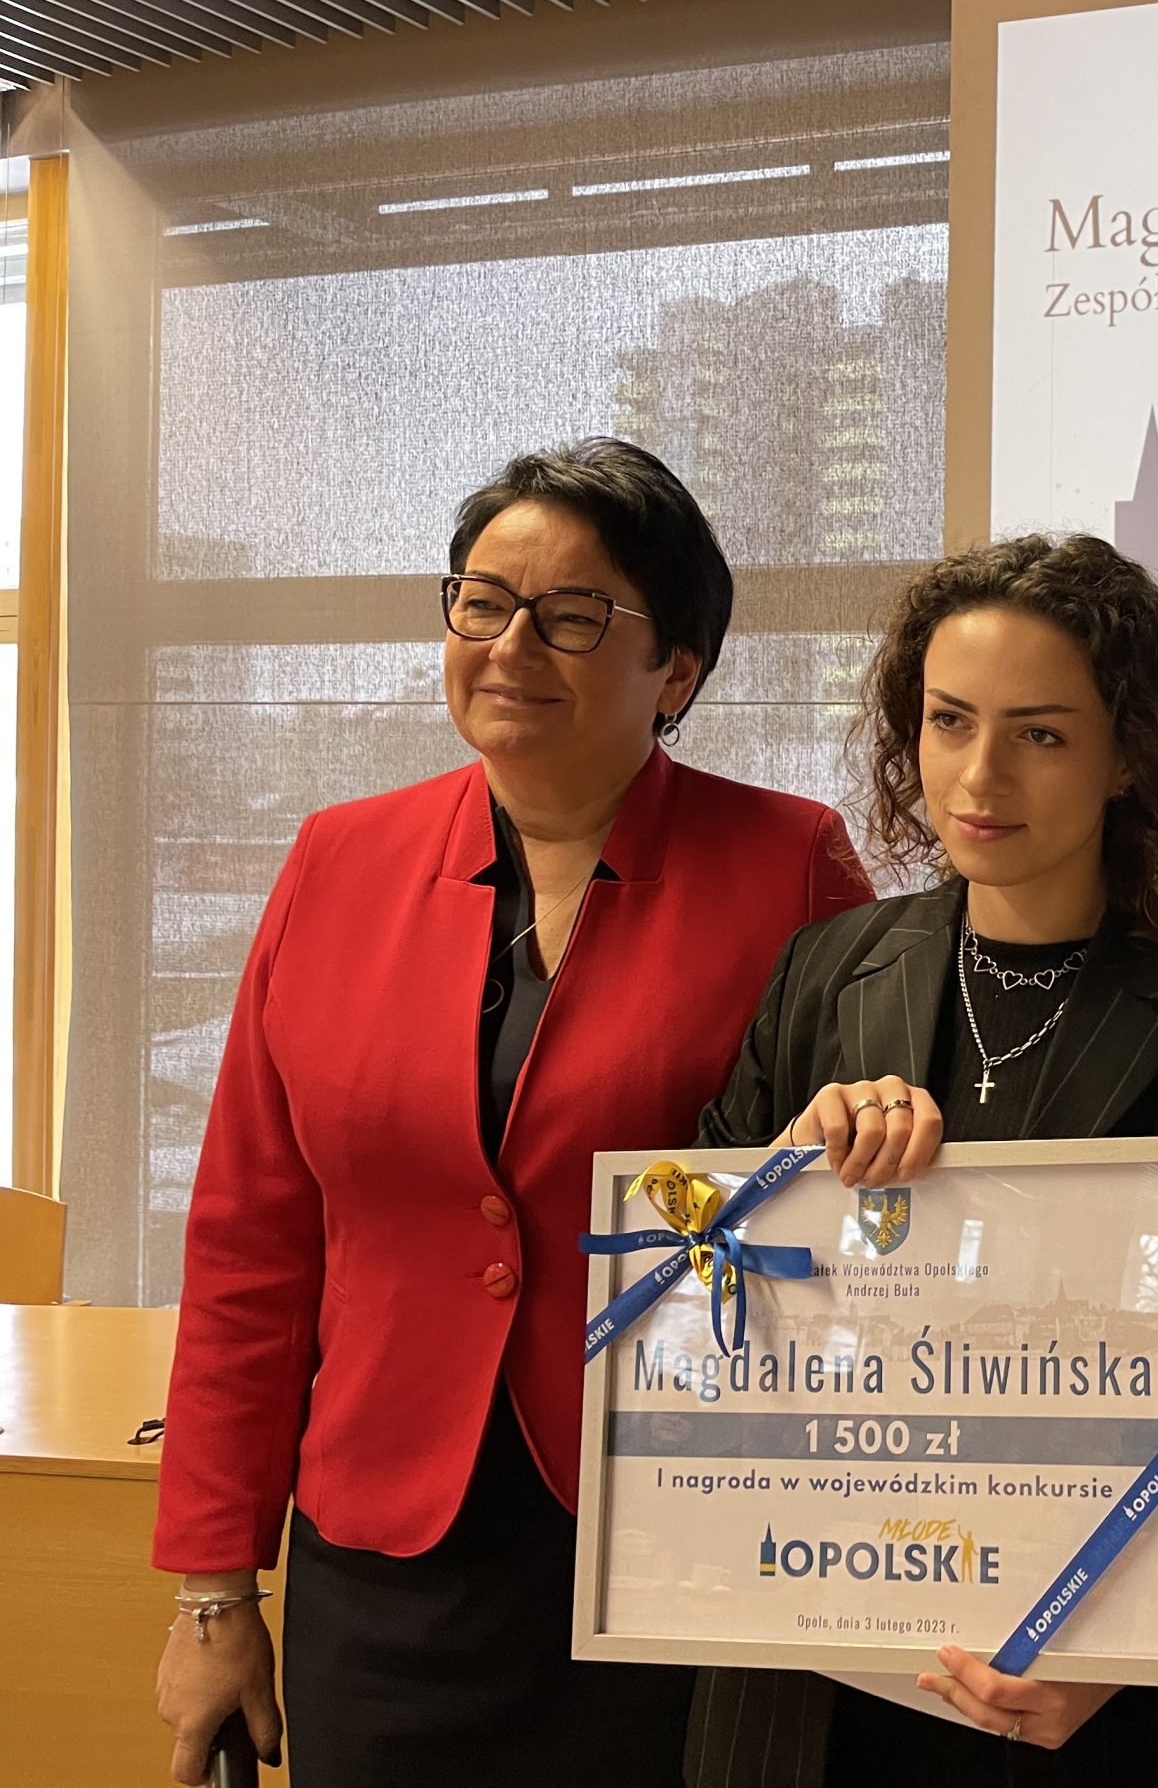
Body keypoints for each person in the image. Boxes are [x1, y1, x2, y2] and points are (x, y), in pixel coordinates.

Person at [150, 438, 873, 1788]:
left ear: (677, 670)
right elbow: (252, 1242)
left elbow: (860, 1211)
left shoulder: (788, 864)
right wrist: (213, 1590)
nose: (509, 645)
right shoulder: (337, 860)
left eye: (573, 615)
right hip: (382, 1562)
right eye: (482, 602)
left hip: (675, 1540)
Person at [685, 533, 1158, 1788]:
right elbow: (678, 1274)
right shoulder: (825, 968)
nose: (979, 775)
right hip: (811, 1682)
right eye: (949, 721)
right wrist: (781, 1169)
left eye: (1039, 733)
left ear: (1128, 754)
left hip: (1086, 1704)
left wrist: (1139, 1647)